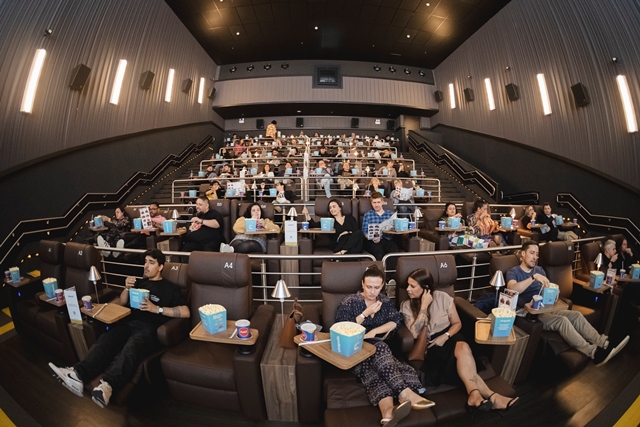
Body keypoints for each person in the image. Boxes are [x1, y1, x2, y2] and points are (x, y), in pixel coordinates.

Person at [49, 249, 189, 408]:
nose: (146, 266)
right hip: (129, 322)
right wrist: (127, 288)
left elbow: (185, 311)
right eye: (145, 262)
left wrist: (157, 309)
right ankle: (78, 375)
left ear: (161, 267)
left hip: (149, 328)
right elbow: (122, 302)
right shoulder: (140, 282)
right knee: (106, 340)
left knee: (132, 347)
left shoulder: (170, 288)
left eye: (151, 263)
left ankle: (108, 386)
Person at [401, 268, 518, 413]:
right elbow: (414, 333)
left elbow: (457, 323)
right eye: (408, 285)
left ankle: (475, 396)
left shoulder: (443, 297)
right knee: (466, 364)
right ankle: (492, 396)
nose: (408, 289)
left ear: (425, 288)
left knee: (463, 346)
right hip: (430, 344)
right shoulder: (406, 305)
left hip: (449, 335)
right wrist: (424, 306)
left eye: (412, 286)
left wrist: (446, 336)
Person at [336, 265, 434, 426]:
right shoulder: (350, 302)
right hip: (356, 351)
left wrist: (375, 331)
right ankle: (404, 392)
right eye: (369, 287)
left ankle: (387, 413)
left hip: (378, 354)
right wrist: (364, 314)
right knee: (381, 349)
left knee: (374, 372)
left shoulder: (384, 302)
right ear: (362, 284)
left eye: (376, 287)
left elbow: (395, 321)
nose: (372, 291)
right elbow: (341, 328)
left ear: (382, 286)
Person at [506, 241, 629, 366]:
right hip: (530, 313)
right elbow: (512, 289)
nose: (535, 257)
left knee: (576, 315)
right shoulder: (514, 272)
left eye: (537, 254)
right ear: (523, 253)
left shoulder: (539, 270)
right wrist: (533, 277)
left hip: (545, 308)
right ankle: (593, 352)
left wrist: (554, 292)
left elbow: (547, 287)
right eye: (532, 253)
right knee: (562, 321)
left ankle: (603, 343)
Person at [362, 192, 399, 261]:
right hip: (373, 241)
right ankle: (380, 268)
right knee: (379, 252)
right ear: (371, 203)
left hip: (388, 239)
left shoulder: (390, 214)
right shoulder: (368, 215)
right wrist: (372, 237)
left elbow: (396, 228)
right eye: (374, 202)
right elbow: (364, 231)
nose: (376, 205)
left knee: (393, 251)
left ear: (382, 202)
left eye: (378, 202)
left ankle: (389, 268)